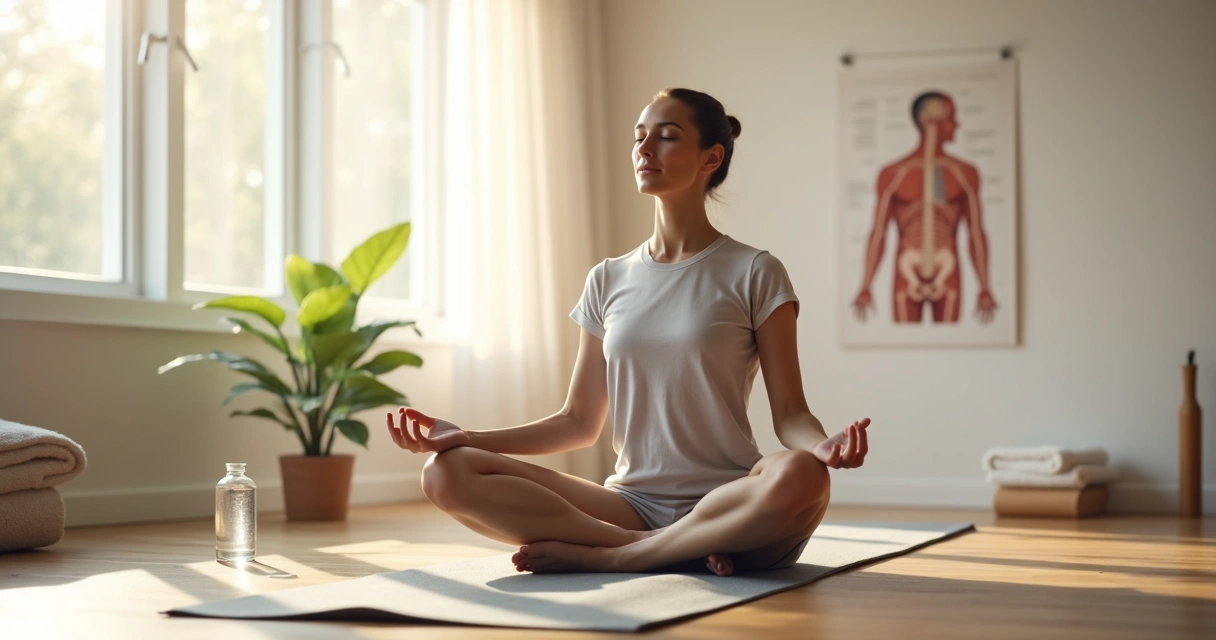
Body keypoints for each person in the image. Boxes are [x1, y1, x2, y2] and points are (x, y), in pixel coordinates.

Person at [387, 87, 871, 576]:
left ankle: (615, 557)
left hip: (732, 503)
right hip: (628, 506)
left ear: (711, 157)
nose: (644, 150)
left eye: (665, 137)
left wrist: (821, 446)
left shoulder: (756, 271)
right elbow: (578, 421)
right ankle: (652, 547)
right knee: (446, 473)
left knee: (804, 474)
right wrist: (465, 437)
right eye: (639, 138)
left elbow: (790, 413)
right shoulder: (607, 278)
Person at [851, 90, 996, 325]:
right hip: (907, 269)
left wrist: (985, 286)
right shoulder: (894, 174)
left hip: (946, 267)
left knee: (950, 347)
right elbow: (878, 232)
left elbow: (976, 233)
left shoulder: (964, 174)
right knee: (903, 347)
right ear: (931, 119)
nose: (956, 124)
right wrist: (866, 285)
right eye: (951, 117)